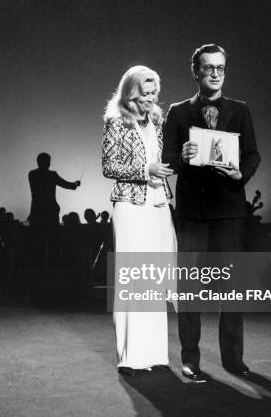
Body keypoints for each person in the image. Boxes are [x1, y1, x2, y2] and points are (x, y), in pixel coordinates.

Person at [163, 43, 261, 382]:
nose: (216, 73)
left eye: (220, 68)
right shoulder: (177, 112)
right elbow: (167, 160)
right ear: (196, 71)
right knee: (189, 290)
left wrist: (241, 174)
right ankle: (190, 359)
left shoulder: (240, 109)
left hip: (230, 210)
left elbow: (252, 155)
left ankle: (233, 360)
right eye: (208, 68)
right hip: (192, 212)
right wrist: (182, 156)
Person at [102, 65, 176, 374]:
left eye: (154, 92)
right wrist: (145, 171)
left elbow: (165, 156)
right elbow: (108, 165)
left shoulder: (157, 121)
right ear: (131, 91)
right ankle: (132, 357)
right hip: (131, 205)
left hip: (158, 203)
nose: (150, 98)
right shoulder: (116, 120)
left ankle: (156, 355)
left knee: (155, 279)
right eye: (144, 92)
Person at [28, 153, 80, 264]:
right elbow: (67, 185)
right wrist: (75, 184)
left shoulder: (32, 174)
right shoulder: (52, 175)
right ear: (48, 162)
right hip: (50, 211)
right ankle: (53, 264)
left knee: (37, 240)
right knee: (53, 239)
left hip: (37, 211)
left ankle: (37, 264)